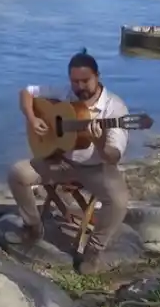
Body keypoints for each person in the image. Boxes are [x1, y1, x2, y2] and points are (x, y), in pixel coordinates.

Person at [7, 49, 130, 274]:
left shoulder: (115, 109)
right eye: (75, 81)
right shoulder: (65, 92)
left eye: (85, 81)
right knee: (18, 173)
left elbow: (113, 156)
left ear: (98, 76)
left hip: (96, 167)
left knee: (119, 201)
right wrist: (33, 119)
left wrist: (98, 142)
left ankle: (93, 250)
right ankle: (33, 226)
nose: (80, 87)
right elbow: (26, 92)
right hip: (60, 160)